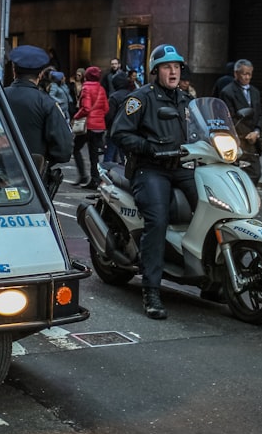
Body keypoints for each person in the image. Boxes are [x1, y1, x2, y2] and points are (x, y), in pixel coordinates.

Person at [111, 44, 196, 320]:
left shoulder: (185, 99)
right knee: (157, 220)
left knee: (211, 204)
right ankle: (151, 290)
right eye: (167, 67)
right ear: (155, 71)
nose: (173, 71)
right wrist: (149, 147)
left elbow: (200, 129)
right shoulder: (140, 99)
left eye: (176, 67)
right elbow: (120, 133)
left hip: (180, 166)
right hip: (150, 168)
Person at [3, 45, 73, 178]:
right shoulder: (47, 103)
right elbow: (64, 150)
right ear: (40, 74)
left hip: (0, 173)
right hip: (33, 177)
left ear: (14, 71)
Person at [220, 59, 262, 181]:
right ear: (236, 74)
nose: (247, 77)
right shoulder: (227, 92)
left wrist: (257, 131)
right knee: (237, 173)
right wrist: (244, 134)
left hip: (252, 139)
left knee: (255, 173)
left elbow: (259, 114)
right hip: (238, 139)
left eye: (249, 74)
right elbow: (229, 118)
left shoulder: (255, 92)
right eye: (244, 74)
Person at [72, 65, 109, 189]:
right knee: (94, 154)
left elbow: (86, 108)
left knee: (75, 148)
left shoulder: (86, 88)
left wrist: (76, 116)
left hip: (88, 126)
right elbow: (106, 108)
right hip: (99, 126)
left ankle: (83, 175)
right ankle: (95, 179)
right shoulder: (102, 89)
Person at [103, 71, 131, 163]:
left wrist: (106, 126)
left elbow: (109, 115)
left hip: (115, 130)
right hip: (129, 130)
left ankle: (107, 173)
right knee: (126, 157)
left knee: (109, 155)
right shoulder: (133, 95)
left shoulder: (114, 97)